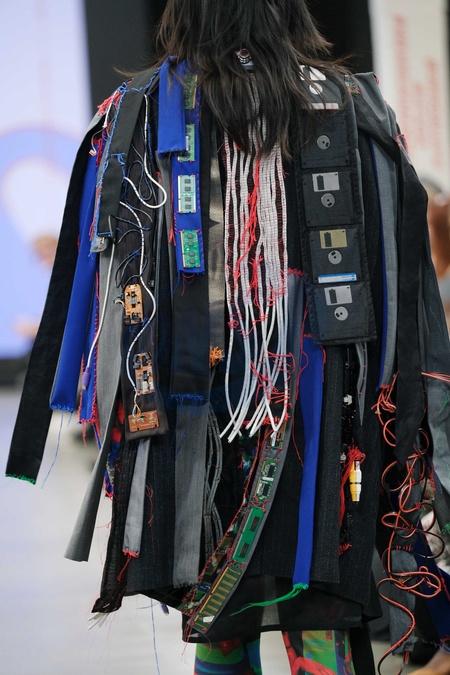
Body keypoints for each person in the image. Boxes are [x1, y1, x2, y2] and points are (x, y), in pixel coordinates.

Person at [6, 1, 450, 673]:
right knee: (317, 608)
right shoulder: (349, 105)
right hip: (322, 412)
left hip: (201, 415)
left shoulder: (140, 110)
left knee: (219, 612)